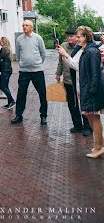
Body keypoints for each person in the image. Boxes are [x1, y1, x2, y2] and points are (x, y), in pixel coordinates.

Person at [57, 26, 104, 158]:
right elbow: (79, 67)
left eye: (79, 36)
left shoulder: (91, 52)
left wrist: (91, 90)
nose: (76, 39)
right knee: (90, 118)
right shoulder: (83, 50)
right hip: (84, 88)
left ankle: (99, 147)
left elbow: (95, 73)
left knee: (94, 118)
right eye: (76, 36)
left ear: (86, 37)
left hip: (90, 90)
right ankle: (99, 146)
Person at [56, 29, 93, 136]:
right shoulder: (63, 45)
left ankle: (88, 127)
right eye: (68, 36)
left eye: (72, 36)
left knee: (84, 105)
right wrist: (58, 73)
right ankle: (77, 125)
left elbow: (78, 66)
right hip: (68, 81)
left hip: (79, 82)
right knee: (72, 105)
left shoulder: (81, 48)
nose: (69, 38)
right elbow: (60, 61)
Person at [11, 20, 47, 125]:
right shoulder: (19, 39)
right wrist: (22, 63)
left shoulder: (38, 38)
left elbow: (43, 53)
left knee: (42, 94)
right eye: (23, 25)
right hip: (24, 72)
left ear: (31, 27)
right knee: (21, 93)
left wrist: (38, 63)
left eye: (26, 25)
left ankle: (43, 116)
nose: (24, 27)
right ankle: (18, 115)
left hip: (37, 71)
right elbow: (17, 54)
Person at [0, 37, 15, 109]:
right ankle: (10, 102)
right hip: (9, 70)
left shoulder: (3, 49)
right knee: (6, 86)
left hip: (5, 70)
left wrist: (1, 63)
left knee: (2, 86)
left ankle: (12, 101)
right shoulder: (9, 49)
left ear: (3, 41)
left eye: (0, 41)